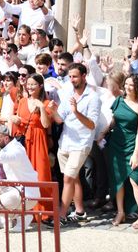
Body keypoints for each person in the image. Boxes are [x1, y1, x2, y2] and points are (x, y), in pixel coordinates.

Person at [47, 62, 101, 225]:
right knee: (73, 178)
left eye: (75, 76)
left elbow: (92, 124)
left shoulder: (93, 98)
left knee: (69, 179)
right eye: (70, 76)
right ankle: (80, 211)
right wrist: (53, 110)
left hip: (81, 144)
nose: (72, 80)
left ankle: (61, 215)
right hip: (65, 142)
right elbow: (59, 119)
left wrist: (76, 111)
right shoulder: (68, 93)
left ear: (84, 76)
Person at [108, 74, 138, 229]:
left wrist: (136, 154)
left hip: (133, 146)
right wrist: (103, 132)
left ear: (137, 87)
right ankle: (120, 212)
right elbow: (114, 120)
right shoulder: (118, 101)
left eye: (131, 85)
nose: (127, 87)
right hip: (116, 144)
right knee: (117, 180)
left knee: (135, 181)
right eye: (126, 84)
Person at [0, 123, 41, 232]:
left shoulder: (17, 149)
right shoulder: (7, 146)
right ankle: (14, 217)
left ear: (6, 138)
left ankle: (22, 216)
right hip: (17, 190)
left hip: (27, 195)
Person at [14, 74, 52, 183]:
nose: (29, 87)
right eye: (28, 84)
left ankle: (43, 200)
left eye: (33, 84)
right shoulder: (22, 101)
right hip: (24, 138)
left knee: (41, 170)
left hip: (38, 138)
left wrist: (42, 108)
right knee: (24, 170)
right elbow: (19, 118)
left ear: (40, 86)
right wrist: (14, 119)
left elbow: (45, 125)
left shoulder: (46, 103)